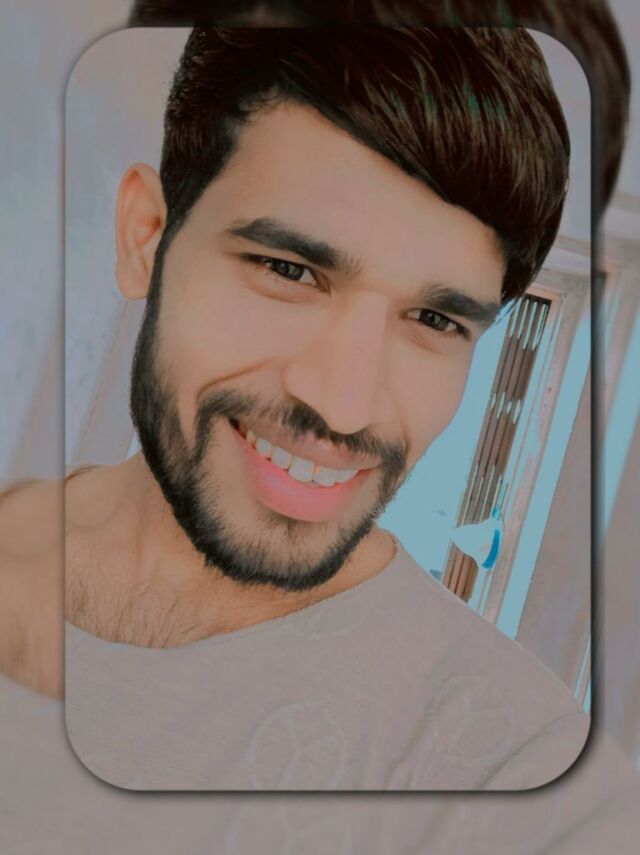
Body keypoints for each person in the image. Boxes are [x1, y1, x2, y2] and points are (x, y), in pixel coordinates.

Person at [43, 24, 597, 790]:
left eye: (434, 319)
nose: (343, 405)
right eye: (289, 269)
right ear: (146, 238)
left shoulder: (520, 767)